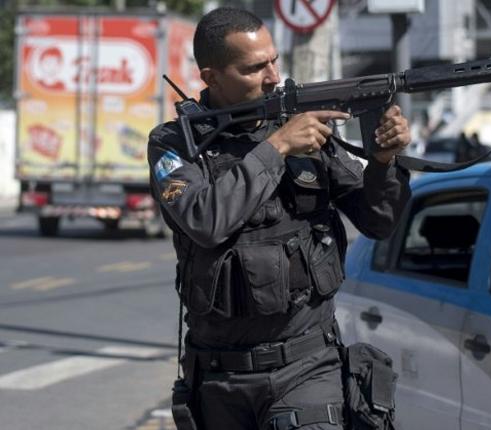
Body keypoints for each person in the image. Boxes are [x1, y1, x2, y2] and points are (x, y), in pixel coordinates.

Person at [147, 7, 412, 430]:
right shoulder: (175, 143)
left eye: (273, 61)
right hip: (218, 377)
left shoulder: (304, 129)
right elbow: (204, 220)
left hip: (307, 367)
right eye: (254, 68)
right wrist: (277, 148)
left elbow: (377, 220)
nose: (272, 76)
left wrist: (383, 162)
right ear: (211, 77)